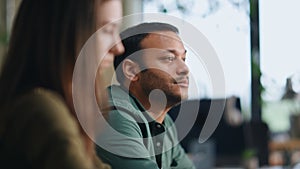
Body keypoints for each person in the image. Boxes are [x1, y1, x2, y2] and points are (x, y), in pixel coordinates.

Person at [0, 0, 124, 168]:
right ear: (62, 31)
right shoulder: (42, 111)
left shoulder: (55, 105)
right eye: (107, 30)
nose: (119, 47)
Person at [96, 22, 196, 169]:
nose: (185, 69)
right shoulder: (114, 116)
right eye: (169, 58)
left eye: (183, 59)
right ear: (131, 70)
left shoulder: (164, 122)